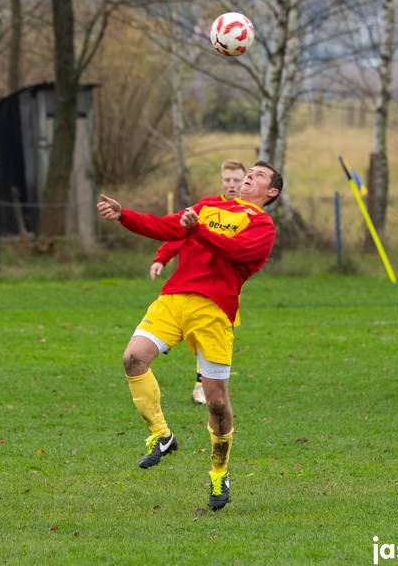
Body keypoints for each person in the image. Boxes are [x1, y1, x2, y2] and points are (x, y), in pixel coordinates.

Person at [98, 160, 282, 511]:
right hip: (173, 299)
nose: (249, 176)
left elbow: (236, 252)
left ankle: (219, 472)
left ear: (271, 192)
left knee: (215, 402)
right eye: (251, 171)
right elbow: (166, 227)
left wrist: (197, 231)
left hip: (213, 310)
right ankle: (162, 436)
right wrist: (125, 215)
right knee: (133, 358)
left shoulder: (262, 224)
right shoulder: (207, 206)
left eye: (260, 175)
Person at [149, 160, 246, 405]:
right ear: (222, 181)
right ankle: (201, 386)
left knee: (214, 338)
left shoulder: (250, 213)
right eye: (228, 180)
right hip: (194, 284)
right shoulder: (207, 206)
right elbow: (179, 231)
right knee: (194, 332)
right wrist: (162, 257)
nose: (232, 185)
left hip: (223, 289)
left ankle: (203, 385)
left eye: (238, 180)